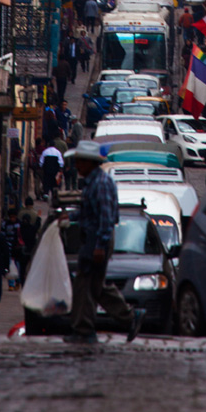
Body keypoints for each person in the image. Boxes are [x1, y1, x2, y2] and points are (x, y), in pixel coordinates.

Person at [63, 140, 145, 344]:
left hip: (96, 240)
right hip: (93, 238)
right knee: (94, 286)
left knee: (86, 283)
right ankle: (127, 317)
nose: (76, 166)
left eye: (80, 162)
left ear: (90, 163)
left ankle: (85, 329)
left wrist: (100, 245)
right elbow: (88, 212)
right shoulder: (93, 183)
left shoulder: (100, 184)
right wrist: (70, 217)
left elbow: (106, 218)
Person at [18, 197, 42, 285]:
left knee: (21, 266)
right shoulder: (35, 214)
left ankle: (21, 281)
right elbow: (38, 229)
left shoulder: (20, 213)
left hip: (21, 243)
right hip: (31, 243)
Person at [1, 207, 23, 289]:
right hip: (9, 247)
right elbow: (3, 235)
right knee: (10, 266)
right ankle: (11, 284)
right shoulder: (5, 224)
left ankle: (18, 281)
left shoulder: (19, 225)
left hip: (17, 248)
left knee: (18, 266)